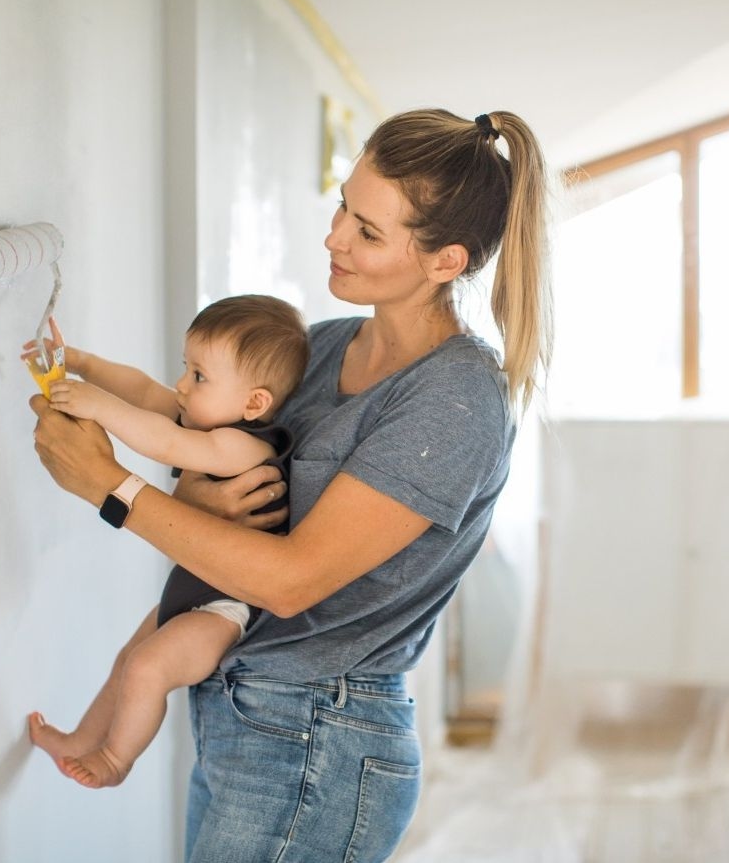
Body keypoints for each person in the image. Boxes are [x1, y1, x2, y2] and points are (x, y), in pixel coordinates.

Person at [29, 109, 553, 862]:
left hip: (319, 739)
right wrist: (185, 495)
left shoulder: (455, 396)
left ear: (446, 261)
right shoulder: (327, 344)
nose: (334, 235)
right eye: (344, 205)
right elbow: (224, 476)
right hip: (245, 714)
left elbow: (289, 580)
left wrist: (109, 486)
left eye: (369, 232)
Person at [24, 295, 309, 789]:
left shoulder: (246, 444)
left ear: (255, 402)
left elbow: (165, 442)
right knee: (125, 663)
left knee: (146, 668)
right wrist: (82, 364)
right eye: (185, 367)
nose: (180, 385)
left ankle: (115, 760)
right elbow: (140, 389)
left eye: (199, 376)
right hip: (194, 593)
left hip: (227, 610)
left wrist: (98, 407)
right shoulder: (202, 418)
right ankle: (76, 742)